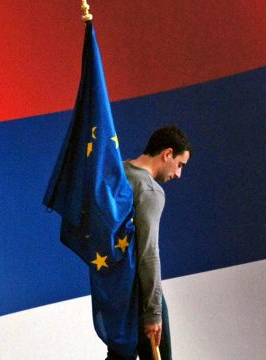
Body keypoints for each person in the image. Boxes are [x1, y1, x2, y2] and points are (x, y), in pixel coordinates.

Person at [107, 125, 192, 360]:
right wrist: (153, 312)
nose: (178, 174)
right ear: (167, 154)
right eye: (180, 164)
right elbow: (149, 254)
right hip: (142, 294)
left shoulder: (119, 172)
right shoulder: (150, 190)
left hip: (115, 290)